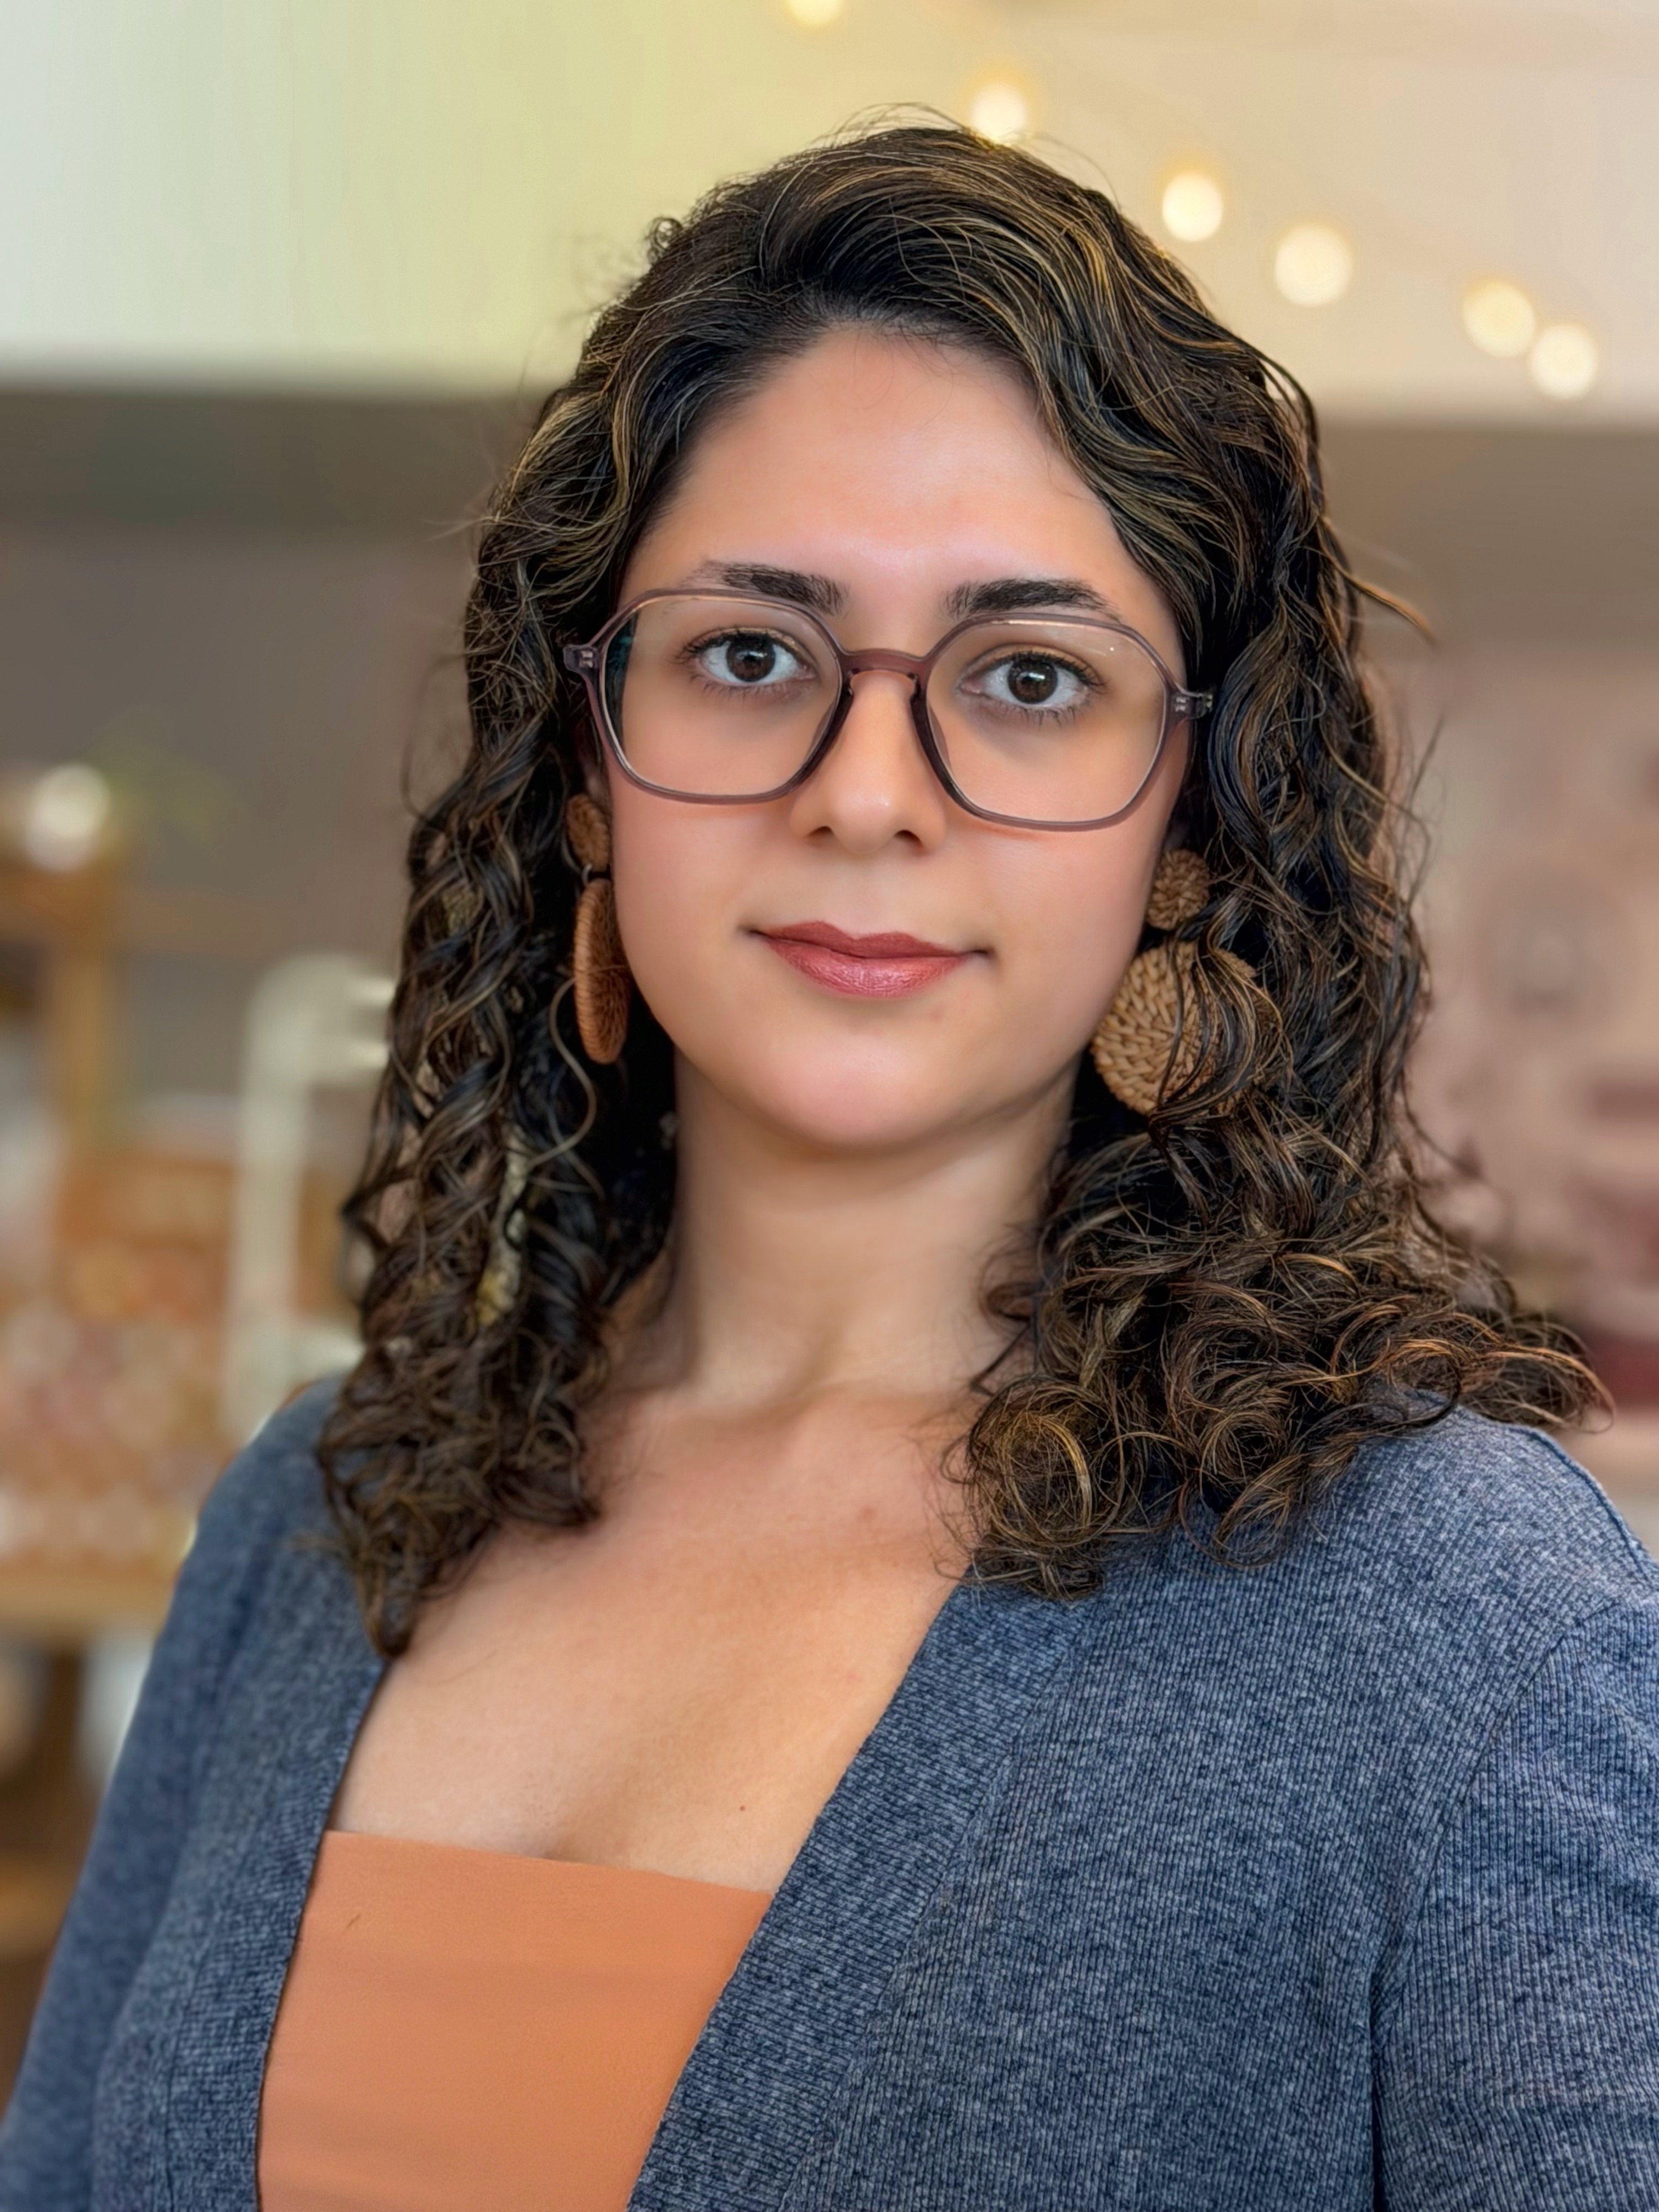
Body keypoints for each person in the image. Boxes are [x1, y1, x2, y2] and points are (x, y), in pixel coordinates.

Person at [2, 121, 1654, 2212]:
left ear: (1192, 820)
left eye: (1031, 679)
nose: (870, 795)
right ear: (589, 763)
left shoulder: (1455, 1621)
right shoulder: (316, 1524)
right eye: (751, 654)